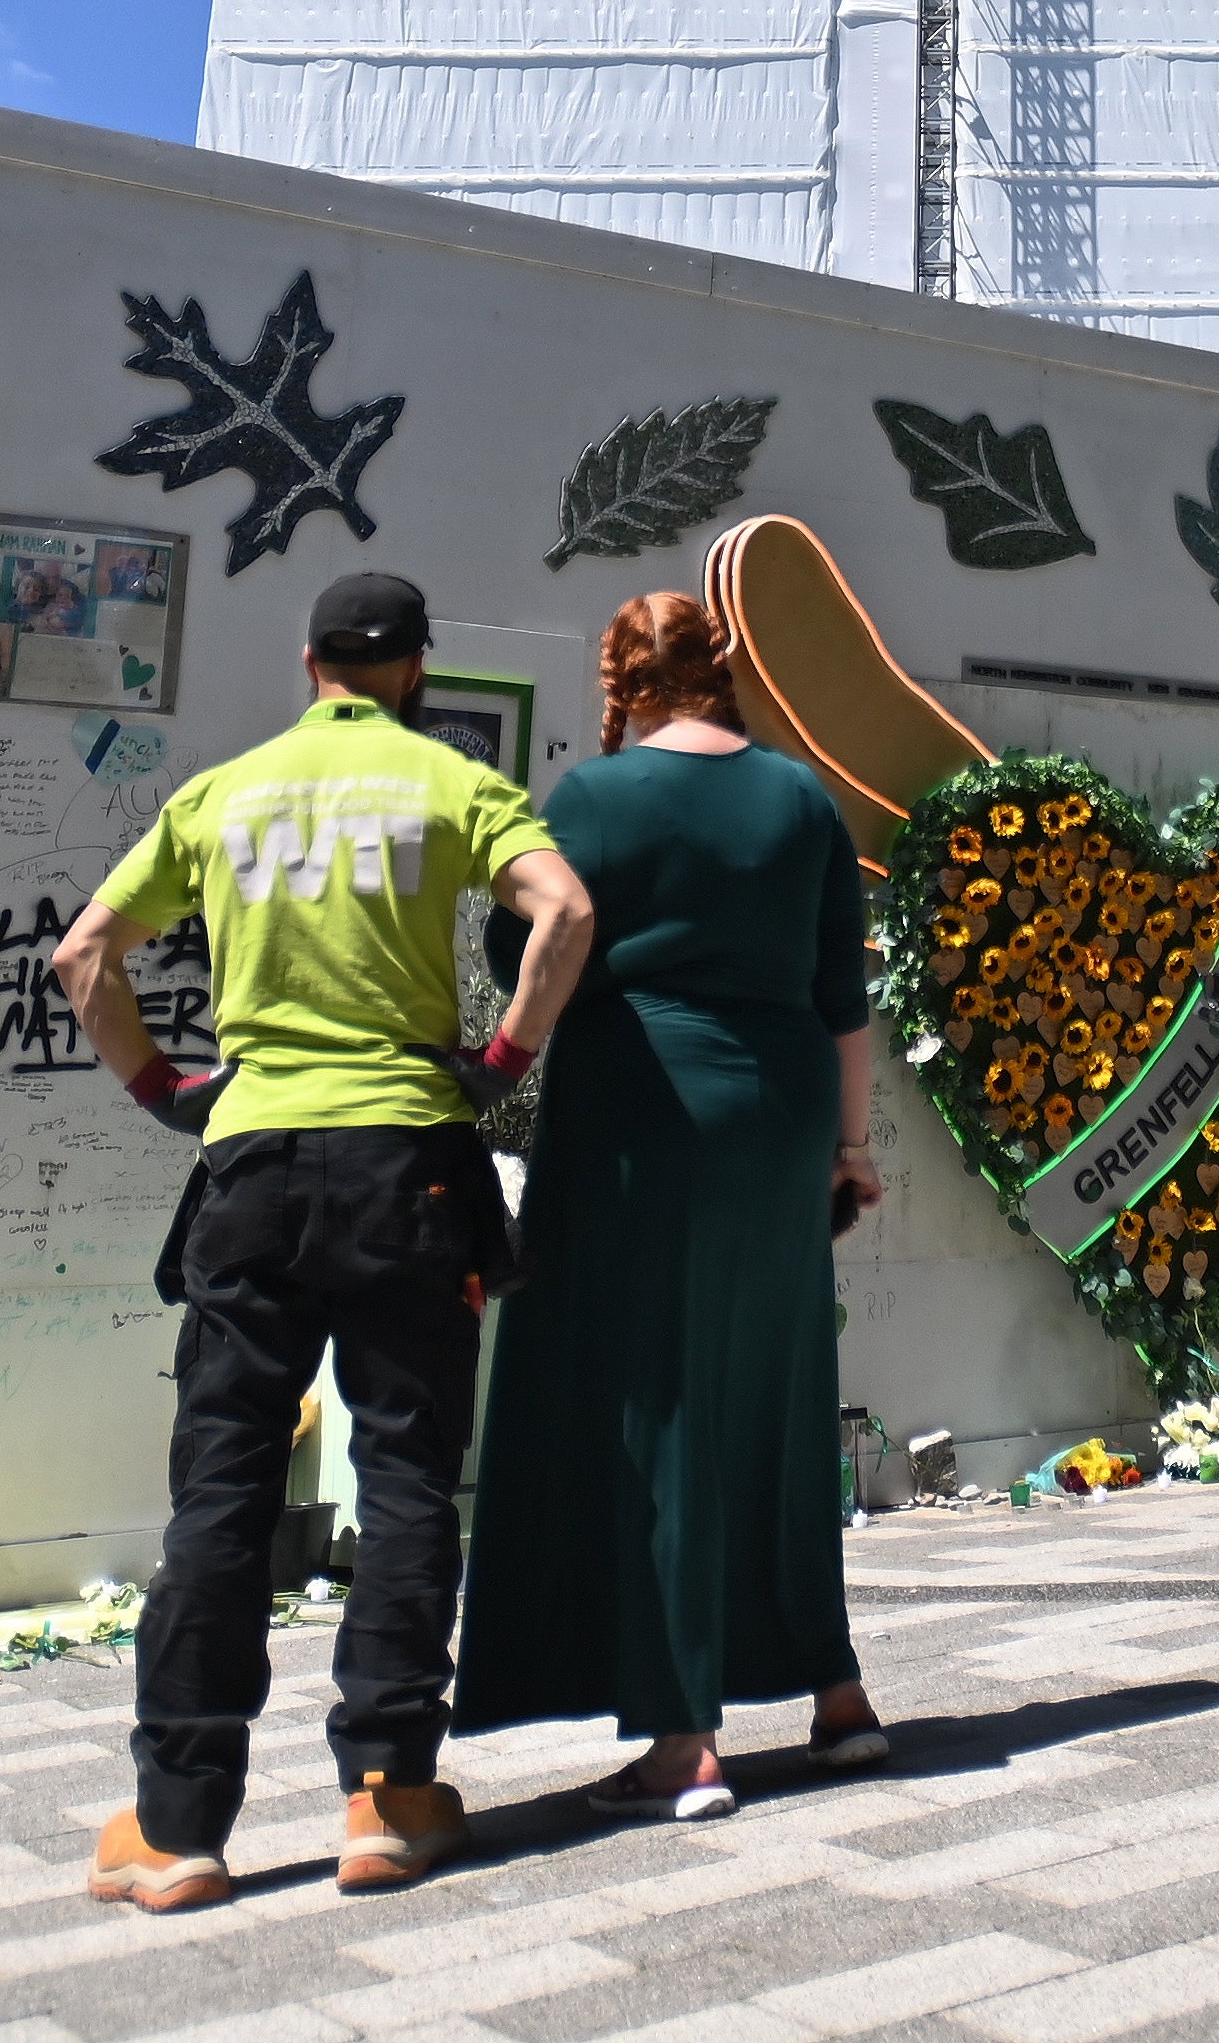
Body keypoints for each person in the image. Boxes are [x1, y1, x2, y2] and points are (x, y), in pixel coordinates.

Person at [53, 572, 595, 1909]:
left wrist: (158, 1088)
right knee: (408, 1476)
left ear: (311, 665)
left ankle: (178, 1827)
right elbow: (566, 914)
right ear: (415, 667)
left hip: (250, 1166)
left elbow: (83, 956)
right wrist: (508, 1051)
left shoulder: (221, 795)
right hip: (409, 1163)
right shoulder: (450, 784)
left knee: (223, 1489)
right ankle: (389, 1800)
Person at [458, 594, 892, 1819]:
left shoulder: (588, 801)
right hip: (783, 1115)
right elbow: (844, 1000)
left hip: (640, 1113)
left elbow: (518, 954)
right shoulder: (803, 798)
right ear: (723, 668)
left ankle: (681, 1740)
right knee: (778, 1387)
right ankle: (836, 1690)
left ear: (622, 676)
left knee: (649, 1394)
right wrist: (852, 1148)